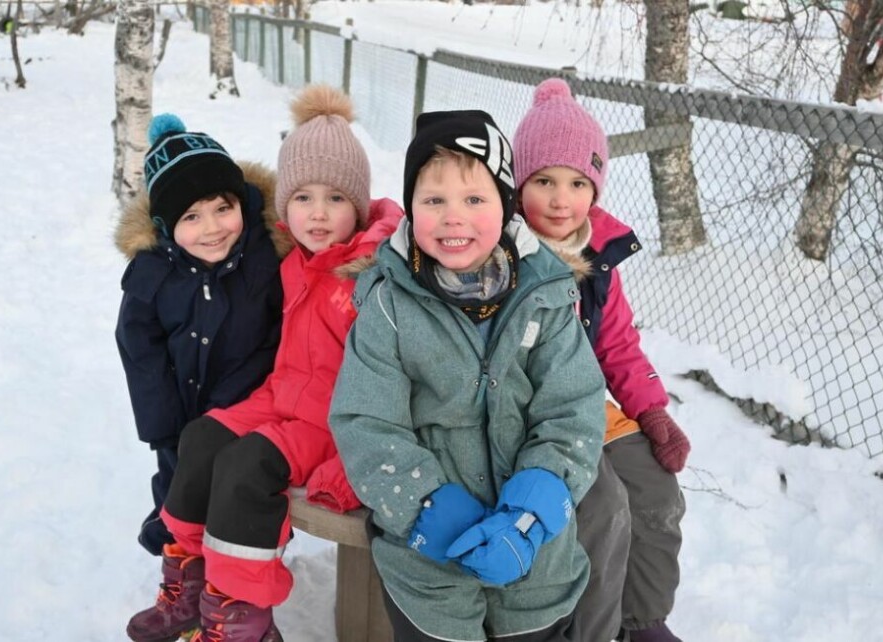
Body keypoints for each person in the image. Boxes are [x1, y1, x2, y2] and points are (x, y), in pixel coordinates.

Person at [125, 85, 402, 642]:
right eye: (302, 197)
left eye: (335, 198)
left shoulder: (373, 275)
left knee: (245, 467)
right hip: (283, 398)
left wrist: (355, 464)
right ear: (281, 207)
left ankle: (241, 618)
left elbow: (400, 381)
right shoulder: (292, 259)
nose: (317, 213)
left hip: (335, 421)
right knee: (203, 437)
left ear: (359, 203)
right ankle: (192, 581)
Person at [329, 109, 607, 642]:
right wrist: (427, 507)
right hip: (429, 563)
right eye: (434, 201)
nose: (453, 218)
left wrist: (530, 515)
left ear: (505, 207)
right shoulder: (389, 306)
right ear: (411, 208)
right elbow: (366, 421)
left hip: (536, 560)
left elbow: (573, 409)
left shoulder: (544, 296)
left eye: (475, 200)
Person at [512, 77, 690, 642]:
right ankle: (590, 632)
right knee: (602, 503)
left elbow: (617, 346)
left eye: (577, 183)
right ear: (519, 183)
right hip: (526, 416)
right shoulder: (502, 252)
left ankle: (642, 622)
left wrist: (651, 410)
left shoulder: (600, 259)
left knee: (656, 491)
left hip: (591, 407)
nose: (560, 199)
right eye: (543, 181)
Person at [115, 115, 282, 558]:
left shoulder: (265, 257)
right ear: (165, 224)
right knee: (177, 487)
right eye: (191, 216)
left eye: (223, 208)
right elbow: (138, 347)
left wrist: (236, 399)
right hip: (178, 409)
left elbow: (278, 333)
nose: (212, 228)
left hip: (245, 406)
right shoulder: (152, 272)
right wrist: (162, 424)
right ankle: (181, 559)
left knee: (234, 490)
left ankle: (232, 567)